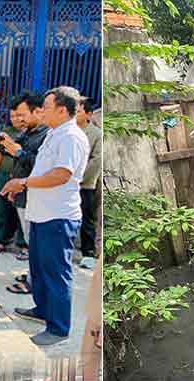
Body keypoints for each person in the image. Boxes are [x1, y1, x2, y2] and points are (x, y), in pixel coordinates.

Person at [1, 86, 90, 346]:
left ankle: (59, 327)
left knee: (56, 272)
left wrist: (24, 183)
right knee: (38, 268)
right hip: (41, 214)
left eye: (47, 108)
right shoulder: (55, 134)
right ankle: (42, 310)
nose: (41, 112)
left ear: (62, 110)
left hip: (58, 217)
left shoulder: (71, 137)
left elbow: (62, 175)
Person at [0, 93, 49, 290]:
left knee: (36, 242)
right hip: (23, 194)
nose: (20, 119)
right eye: (16, 115)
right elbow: (20, 163)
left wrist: (18, 151)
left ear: (37, 111)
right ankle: (33, 275)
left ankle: (35, 282)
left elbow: (41, 166)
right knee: (31, 240)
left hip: (36, 196)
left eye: (22, 115)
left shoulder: (46, 136)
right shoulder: (29, 133)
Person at [0, 105, 26, 256]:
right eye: (12, 116)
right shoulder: (6, 133)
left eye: (18, 115)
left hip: (22, 177)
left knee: (22, 209)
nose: (16, 119)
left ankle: (23, 244)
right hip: (3, 175)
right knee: (0, 209)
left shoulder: (30, 134)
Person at [76, 97, 101, 269]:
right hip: (65, 183)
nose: (74, 115)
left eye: (77, 111)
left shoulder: (96, 134)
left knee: (87, 218)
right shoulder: (69, 131)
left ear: (88, 114)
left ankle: (88, 252)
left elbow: (96, 161)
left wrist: (77, 177)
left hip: (85, 184)